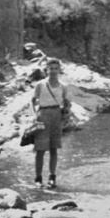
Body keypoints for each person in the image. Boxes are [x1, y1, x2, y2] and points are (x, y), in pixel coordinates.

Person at [30, 58, 71, 188]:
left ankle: (52, 177)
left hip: (56, 115)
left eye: (55, 68)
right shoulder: (40, 84)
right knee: (40, 149)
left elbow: (66, 102)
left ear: (59, 70)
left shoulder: (64, 86)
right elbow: (33, 100)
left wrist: (66, 113)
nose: (53, 71)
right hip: (43, 115)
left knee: (54, 148)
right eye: (50, 68)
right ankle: (38, 177)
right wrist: (34, 115)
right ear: (46, 70)